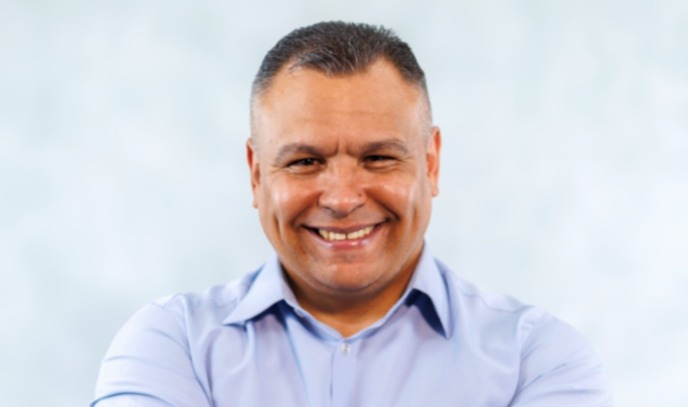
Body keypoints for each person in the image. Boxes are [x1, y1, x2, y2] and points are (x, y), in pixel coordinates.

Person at [92, 21, 612, 406]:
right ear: (256, 174)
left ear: (430, 163)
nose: (341, 198)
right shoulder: (172, 345)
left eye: (378, 158)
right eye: (305, 162)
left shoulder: (537, 360)